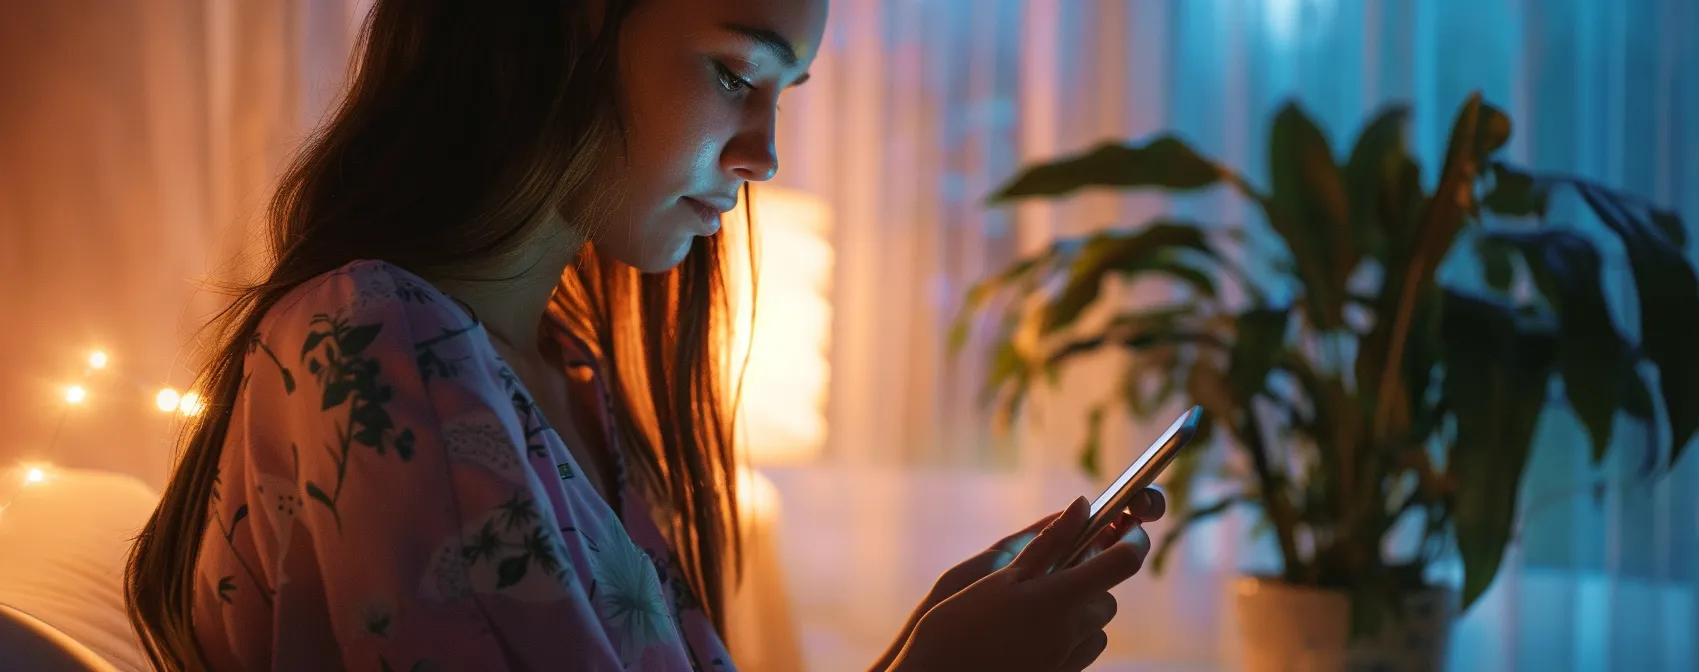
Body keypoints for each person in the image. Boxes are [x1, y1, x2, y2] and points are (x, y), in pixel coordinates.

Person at [123, 1, 1166, 670]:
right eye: (732, 74)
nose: (763, 156)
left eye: (781, 93)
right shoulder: (370, 343)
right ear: (565, 26)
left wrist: (917, 650)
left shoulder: (564, 379)